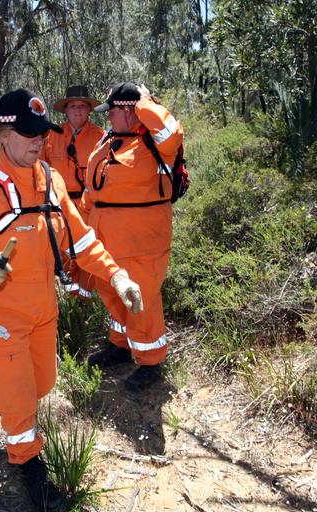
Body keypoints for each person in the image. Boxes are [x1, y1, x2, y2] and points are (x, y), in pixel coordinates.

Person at [0, 89, 143, 512]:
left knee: (42, 384)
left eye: (42, 133)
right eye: (27, 133)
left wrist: (115, 273)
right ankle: (30, 471)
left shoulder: (51, 180)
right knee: (23, 406)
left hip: (44, 310)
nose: (37, 141)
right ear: (4, 133)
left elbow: (80, 238)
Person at [82, 82, 183, 390]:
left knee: (142, 300)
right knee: (113, 293)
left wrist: (143, 102)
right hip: (106, 237)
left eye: (112, 111)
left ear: (129, 110)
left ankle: (152, 363)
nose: (108, 117)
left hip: (142, 240)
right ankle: (121, 345)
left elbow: (171, 131)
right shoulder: (111, 140)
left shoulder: (156, 142)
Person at [42, 85, 105, 298]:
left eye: (82, 106)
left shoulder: (101, 137)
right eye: (73, 106)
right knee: (64, 254)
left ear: (89, 110)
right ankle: (70, 304)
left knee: (87, 252)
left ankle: (86, 303)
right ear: (66, 110)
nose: (77, 110)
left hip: (89, 206)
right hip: (60, 206)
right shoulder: (52, 136)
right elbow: (41, 170)